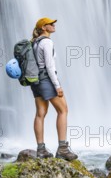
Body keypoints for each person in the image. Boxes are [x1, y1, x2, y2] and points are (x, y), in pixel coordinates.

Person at [31, 17, 78, 161]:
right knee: (63, 110)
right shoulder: (46, 42)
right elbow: (50, 66)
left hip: (36, 81)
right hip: (46, 79)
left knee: (40, 113)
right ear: (44, 28)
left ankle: (40, 150)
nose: (53, 25)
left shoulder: (34, 43)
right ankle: (62, 149)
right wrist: (57, 86)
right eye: (50, 24)